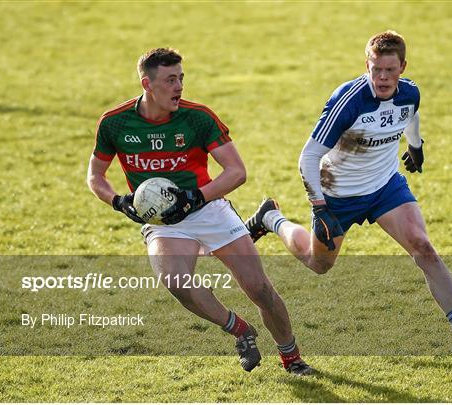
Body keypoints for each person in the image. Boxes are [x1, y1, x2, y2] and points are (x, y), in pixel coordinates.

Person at [245, 31, 452, 355]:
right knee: (318, 263)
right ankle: (272, 218)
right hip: (338, 194)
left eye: (390, 70)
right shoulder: (349, 101)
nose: (382, 77)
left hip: (385, 187)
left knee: (424, 247)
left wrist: (416, 145)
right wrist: (320, 207)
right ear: (366, 65)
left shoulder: (410, 93)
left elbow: (410, 113)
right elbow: (307, 157)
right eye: (376, 69)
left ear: (403, 67)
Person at [87, 48, 313, 375]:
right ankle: (240, 330)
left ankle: (291, 357)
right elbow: (95, 176)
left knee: (259, 288)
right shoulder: (115, 123)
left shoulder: (197, 117)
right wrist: (118, 201)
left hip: (208, 209)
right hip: (163, 222)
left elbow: (236, 171)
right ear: (147, 83)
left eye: (181, 78)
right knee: (176, 282)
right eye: (170, 80)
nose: (179, 86)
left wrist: (196, 197)